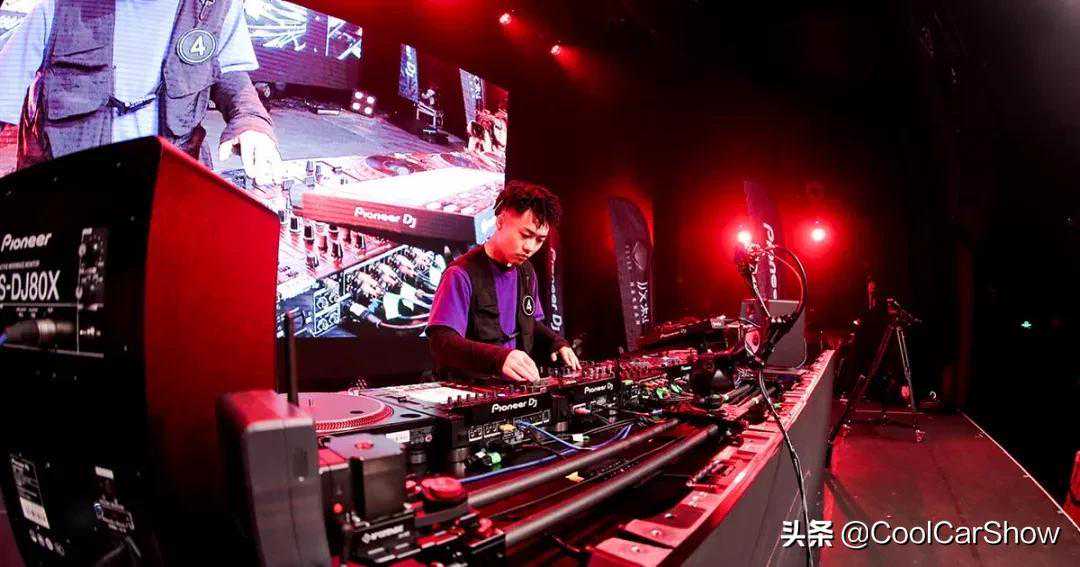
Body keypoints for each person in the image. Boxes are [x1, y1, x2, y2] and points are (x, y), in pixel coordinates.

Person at [0, 0, 281, 184]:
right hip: (71, 196)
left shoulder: (215, 8)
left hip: (169, 193)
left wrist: (250, 121)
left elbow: (229, 72)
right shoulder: (58, 6)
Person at [427, 181, 580, 383]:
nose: (530, 247)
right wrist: (498, 358)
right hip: (470, 388)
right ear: (500, 222)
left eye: (539, 240)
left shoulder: (526, 271)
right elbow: (442, 343)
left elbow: (530, 325)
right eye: (525, 235)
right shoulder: (460, 274)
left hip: (513, 390)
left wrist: (556, 342)